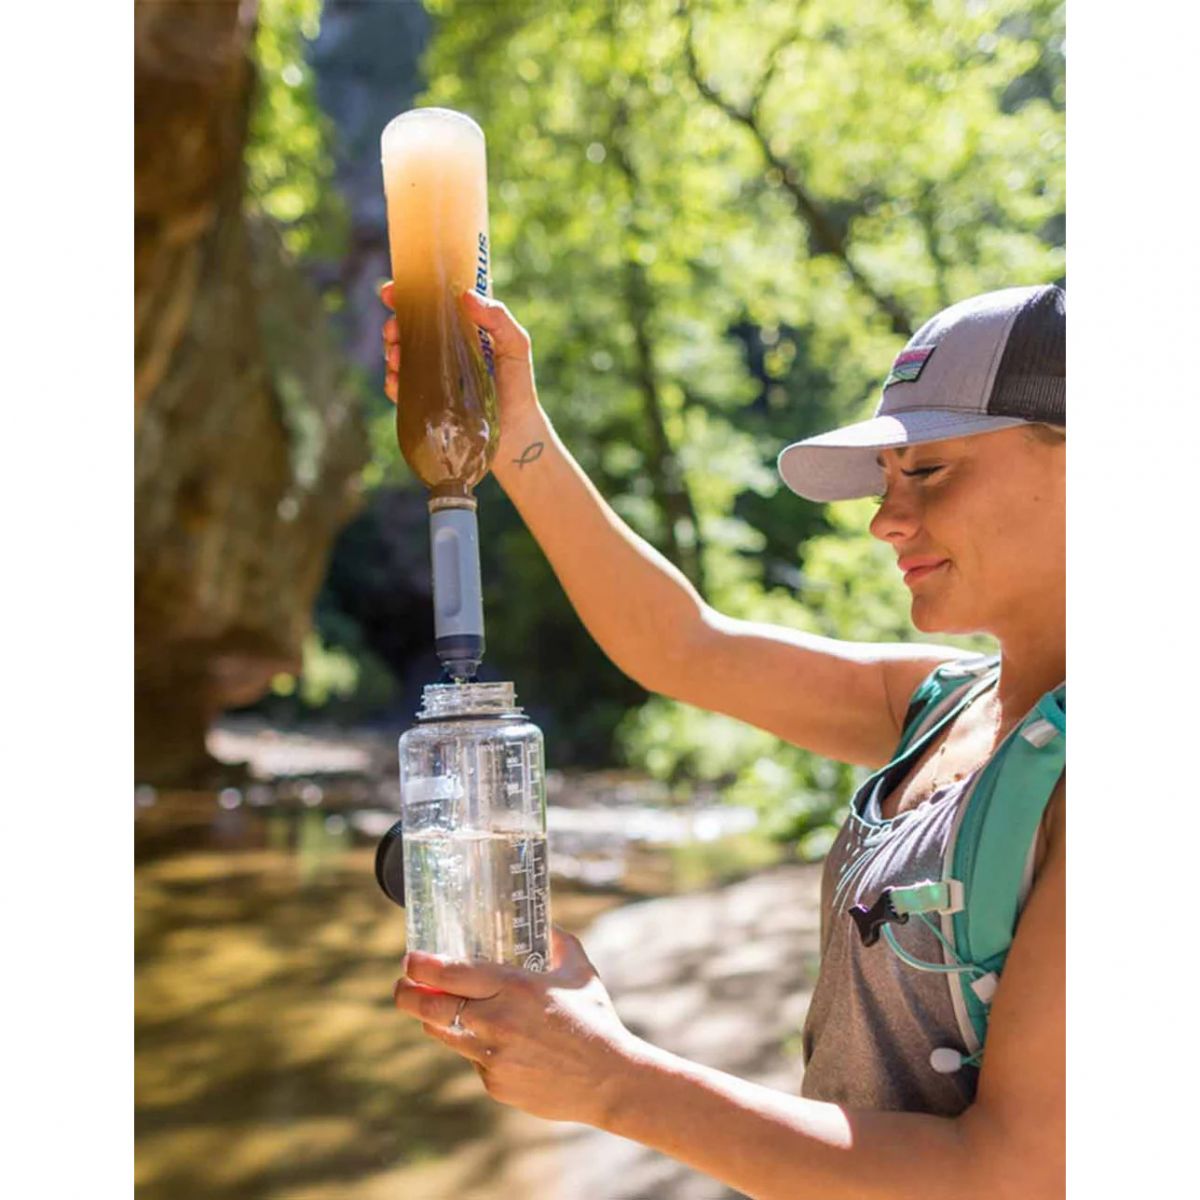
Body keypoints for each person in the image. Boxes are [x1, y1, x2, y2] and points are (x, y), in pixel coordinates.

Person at [382, 280, 1065, 1198]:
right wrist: (517, 438)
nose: (883, 519)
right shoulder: (940, 705)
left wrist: (614, 1081)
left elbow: (1019, 1175)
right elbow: (684, 645)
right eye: (885, 479)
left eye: (930, 471)